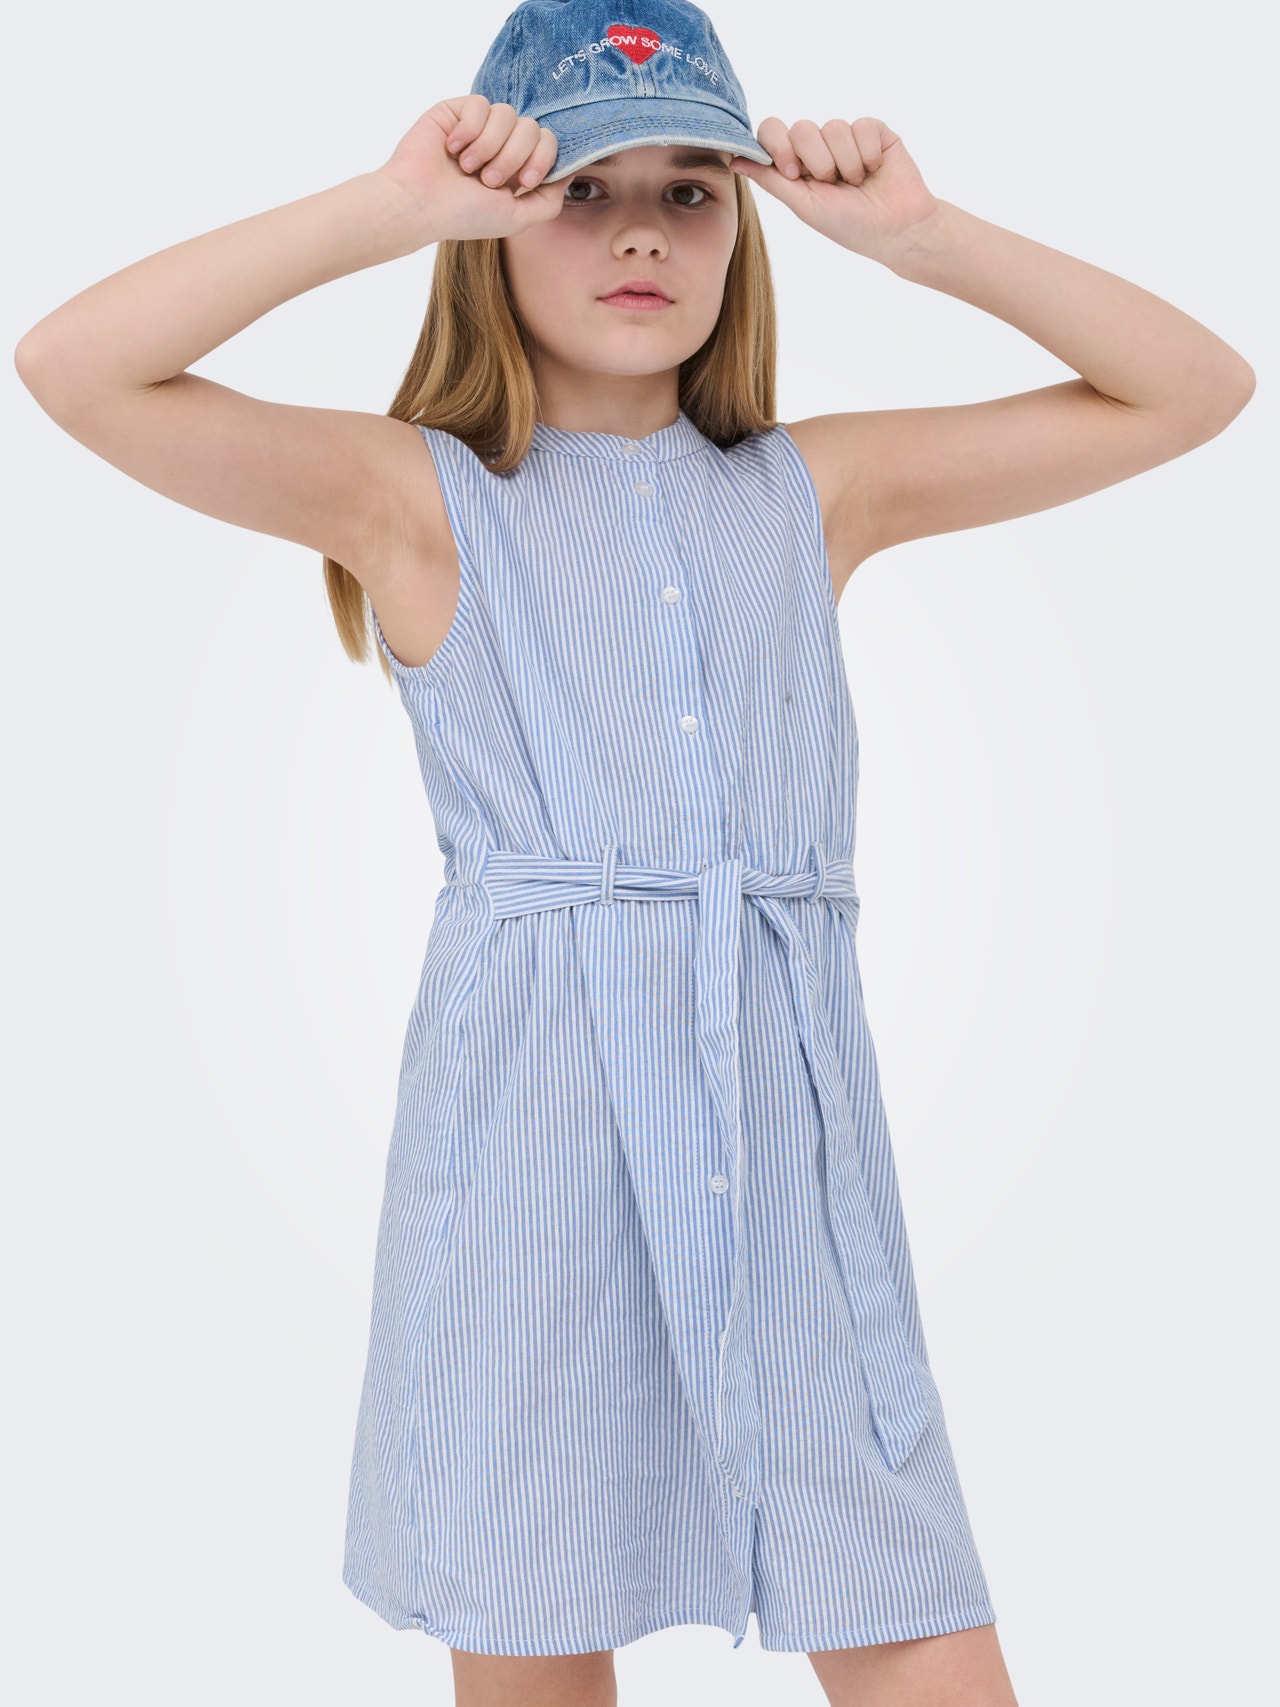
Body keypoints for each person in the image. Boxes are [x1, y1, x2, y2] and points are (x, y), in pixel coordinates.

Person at [13, 1, 1254, 1703]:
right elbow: (73, 366)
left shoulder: (816, 489)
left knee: (908, 1614)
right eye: (583, 191)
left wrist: (923, 237)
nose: (643, 235)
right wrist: (393, 207)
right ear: (493, 225)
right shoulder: (415, 500)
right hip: (532, 1137)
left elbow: (1197, 389)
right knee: (536, 1619)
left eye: (690, 193)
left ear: (744, 230)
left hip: (785, 1133)